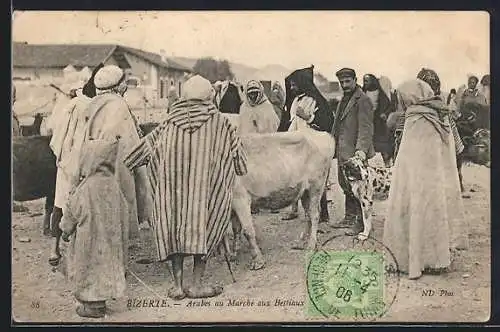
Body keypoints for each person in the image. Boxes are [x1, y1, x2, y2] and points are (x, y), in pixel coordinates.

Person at [123, 75, 248, 300]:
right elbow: (239, 160)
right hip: (206, 193)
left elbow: (137, 154)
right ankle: (196, 284)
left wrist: (127, 164)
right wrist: (234, 166)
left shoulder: (168, 122)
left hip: (173, 195)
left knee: (174, 229)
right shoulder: (222, 123)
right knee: (205, 226)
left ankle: (178, 286)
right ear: (208, 96)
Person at [383, 79, 468, 280]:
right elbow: (451, 152)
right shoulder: (440, 115)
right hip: (434, 182)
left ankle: (411, 260)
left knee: (413, 214)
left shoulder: (413, 118)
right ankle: (435, 260)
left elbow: (404, 154)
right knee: (432, 215)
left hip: (413, 181)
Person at [59, 136, 128, 318]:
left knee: (87, 268)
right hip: (110, 242)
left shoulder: (85, 188)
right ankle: (101, 302)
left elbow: (72, 213)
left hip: (88, 242)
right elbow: (124, 211)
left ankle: (91, 306)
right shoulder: (114, 186)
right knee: (105, 269)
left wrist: (65, 230)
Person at [83, 65, 151, 245]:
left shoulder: (91, 104)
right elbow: (132, 144)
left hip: (93, 165)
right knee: (119, 213)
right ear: (119, 85)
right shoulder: (119, 106)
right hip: (117, 166)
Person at [48, 63, 104, 266]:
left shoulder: (71, 105)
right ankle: (80, 253)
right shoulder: (94, 107)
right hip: (85, 162)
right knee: (83, 206)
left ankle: (54, 250)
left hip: (66, 162)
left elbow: (56, 133)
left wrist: (61, 156)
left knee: (60, 203)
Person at [278, 65, 334, 223]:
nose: (292, 87)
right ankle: (294, 209)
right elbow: (287, 119)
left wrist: (308, 118)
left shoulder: (316, 100)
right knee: (295, 177)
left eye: (295, 84)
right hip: (295, 142)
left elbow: (326, 121)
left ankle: (322, 212)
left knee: (316, 177)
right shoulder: (294, 100)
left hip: (312, 144)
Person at [330, 68, 374, 235]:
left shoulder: (362, 100)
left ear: (355, 80)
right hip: (343, 151)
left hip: (355, 153)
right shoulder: (344, 100)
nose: (344, 85)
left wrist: (361, 151)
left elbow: (366, 128)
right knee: (345, 184)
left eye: (348, 81)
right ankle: (349, 216)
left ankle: (360, 222)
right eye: (342, 82)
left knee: (359, 188)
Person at [362, 74, 395, 167]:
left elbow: (389, 105)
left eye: (367, 81)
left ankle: (387, 164)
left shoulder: (380, 92)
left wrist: (384, 113)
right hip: (367, 121)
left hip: (378, 122)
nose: (365, 83)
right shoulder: (363, 92)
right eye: (364, 81)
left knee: (383, 144)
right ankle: (365, 165)